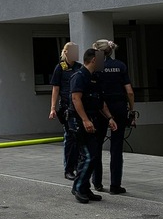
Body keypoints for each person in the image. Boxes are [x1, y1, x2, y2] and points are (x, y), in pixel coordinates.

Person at [67, 48, 117, 204]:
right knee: (88, 155)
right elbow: (76, 99)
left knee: (93, 155)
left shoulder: (95, 77)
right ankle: (79, 188)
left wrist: (110, 118)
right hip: (79, 121)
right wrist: (85, 120)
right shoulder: (79, 76)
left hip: (93, 119)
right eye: (101, 59)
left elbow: (100, 102)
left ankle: (84, 188)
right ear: (94, 60)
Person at [92, 39, 135, 195]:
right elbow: (129, 91)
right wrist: (131, 110)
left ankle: (97, 182)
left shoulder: (96, 68)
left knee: (97, 145)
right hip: (119, 107)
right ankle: (115, 185)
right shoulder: (120, 65)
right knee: (116, 148)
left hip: (100, 109)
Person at [49, 42, 82, 181]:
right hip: (67, 106)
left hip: (78, 106)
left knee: (79, 138)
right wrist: (52, 108)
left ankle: (78, 166)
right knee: (70, 138)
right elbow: (55, 88)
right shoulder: (60, 67)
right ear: (66, 52)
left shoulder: (79, 67)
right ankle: (68, 169)